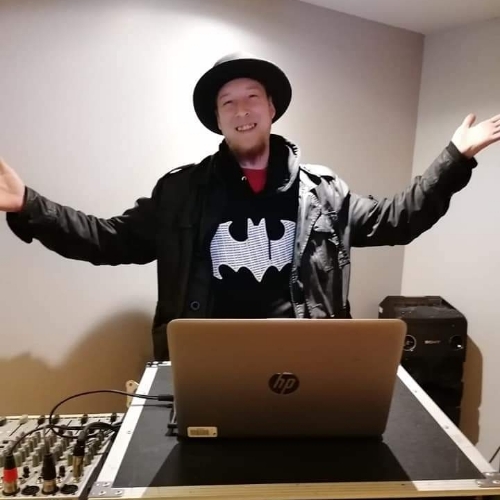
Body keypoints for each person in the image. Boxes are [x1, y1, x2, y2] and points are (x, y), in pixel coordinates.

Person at [1, 53, 499, 360]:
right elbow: (107, 240)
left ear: (271, 108)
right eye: (228, 103)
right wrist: (28, 205)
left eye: (252, 97)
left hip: (307, 359)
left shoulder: (324, 194)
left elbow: (399, 219)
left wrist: (454, 158)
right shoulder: (182, 192)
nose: (242, 110)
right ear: (217, 120)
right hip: (206, 360)